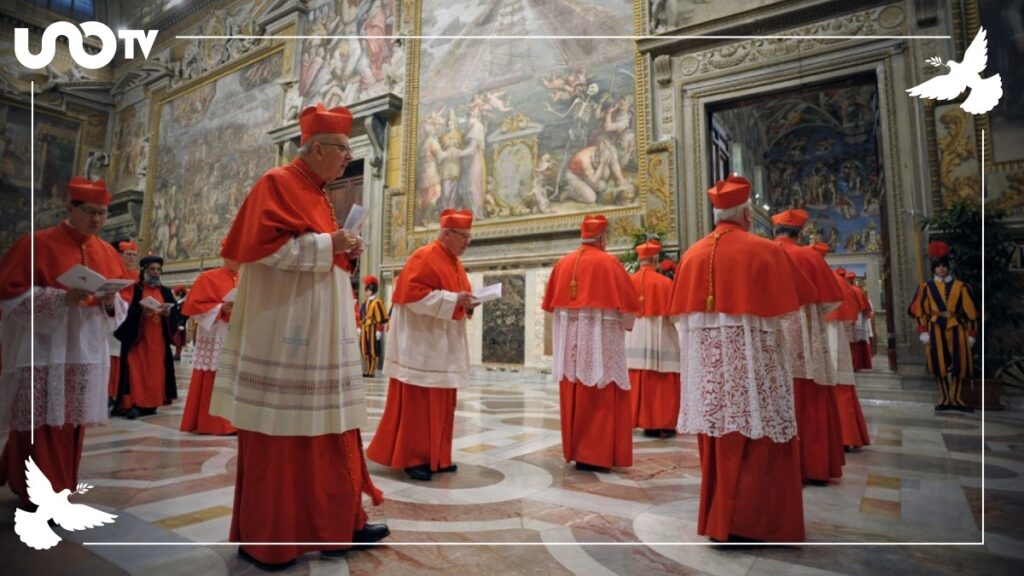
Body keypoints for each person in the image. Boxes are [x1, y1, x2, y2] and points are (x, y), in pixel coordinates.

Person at [209, 103, 388, 569]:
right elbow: (262, 253)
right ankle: (275, 536)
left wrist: (343, 247)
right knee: (285, 431)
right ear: (316, 148)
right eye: (343, 150)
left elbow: (311, 252)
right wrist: (332, 244)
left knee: (328, 427)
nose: (348, 160)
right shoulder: (278, 183)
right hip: (286, 331)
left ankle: (336, 525)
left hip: (319, 330)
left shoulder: (318, 192)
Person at [667, 176, 806, 542]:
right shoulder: (763, 250)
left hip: (711, 376)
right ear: (746, 213)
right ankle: (754, 522)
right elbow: (788, 317)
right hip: (754, 370)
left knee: (719, 439)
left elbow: (682, 321)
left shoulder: (692, 254)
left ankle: (719, 520)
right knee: (759, 437)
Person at [0, 177, 130, 507]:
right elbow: (9, 296)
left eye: (102, 213)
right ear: (69, 207)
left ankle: (59, 485)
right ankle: (41, 494)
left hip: (85, 349)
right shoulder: (36, 243)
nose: (98, 220)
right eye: (90, 212)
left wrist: (110, 299)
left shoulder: (106, 251)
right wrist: (61, 299)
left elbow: (119, 306)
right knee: (39, 423)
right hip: (44, 347)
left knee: (70, 423)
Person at [367, 209, 476, 481]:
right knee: (419, 405)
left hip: (443, 346)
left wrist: (468, 303)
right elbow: (412, 296)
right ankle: (413, 457)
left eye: (469, 238)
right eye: (464, 237)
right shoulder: (425, 256)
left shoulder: (455, 263)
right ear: (447, 234)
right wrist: (454, 300)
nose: (467, 242)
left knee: (444, 404)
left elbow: (458, 296)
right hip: (422, 346)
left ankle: (437, 457)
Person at [542, 215, 639, 472]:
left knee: (575, 387)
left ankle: (577, 450)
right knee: (600, 387)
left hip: (570, 348)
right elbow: (629, 306)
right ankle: (596, 453)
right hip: (601, 344)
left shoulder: (563, 264)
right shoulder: (609, 263)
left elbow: (552, 307)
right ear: (603, 239)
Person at [772, 209, 847, 483]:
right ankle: (813, 465)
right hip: (806, 333)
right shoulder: (810, 256)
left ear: (774, 232)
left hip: (771, 333)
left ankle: (779, 467)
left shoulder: (765, 252)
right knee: (810, 394)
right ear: (800, 233)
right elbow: (832, 300)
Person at [908, 241, 978, 412]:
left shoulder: (961, 286)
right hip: (935, 328)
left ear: (948, 267)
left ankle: (957, 398)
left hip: (957, 328)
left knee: (959, 364)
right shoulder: (926, 287)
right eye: (938, 266)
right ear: (933, 268)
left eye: (944, 266)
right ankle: (944, 398)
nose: (941, 269)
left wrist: (971, 333)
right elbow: (919, 311)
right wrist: (923, 331)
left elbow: (972, 312)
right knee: (939, 364)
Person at [625, 239, 680, 438]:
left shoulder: (628, 282)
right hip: (660, 335)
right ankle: (662, 421)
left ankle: (640, 419)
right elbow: (675, 316)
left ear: (640, 260)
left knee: (638, 375)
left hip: (633, 337)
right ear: (656, 259)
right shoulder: (665, 283)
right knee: (661, 376)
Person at [113, 255, 179, 419]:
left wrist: (168, 313)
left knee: (156, 372)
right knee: (136, 371)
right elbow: (123, 312)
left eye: (158, 269)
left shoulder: (165, 291)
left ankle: (151, 403)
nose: (156, 273)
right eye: (152, 269)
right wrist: (141, 313)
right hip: (138, 340)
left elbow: (175, 313)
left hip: (158, 341)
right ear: (144, 270)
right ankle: (133, 403)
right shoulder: (134, 289)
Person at [179, 259, 238, 435]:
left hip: (238, 332)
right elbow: (195, 308)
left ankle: (235, 422)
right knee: (214, 373)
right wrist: (222, 308)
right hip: (216, 332)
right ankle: (214, 423)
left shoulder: (246, 277)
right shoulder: (208, 278)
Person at [826, 267, 871, 449]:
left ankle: (844, 435)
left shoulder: (831, 280)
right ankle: (847, 434)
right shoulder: (841, 283)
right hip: (836, 331)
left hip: (829, 331)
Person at [108, 239, 139, 402]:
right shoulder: (112, 271)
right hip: (112, 319)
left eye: (134, 255)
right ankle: (109, 391)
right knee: (111, 355)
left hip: (130, 320)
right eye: (128, 254)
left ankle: (121, 393)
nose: (132, 258)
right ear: (119, 254)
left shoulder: (137, 276)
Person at [359, 275, 390, 377]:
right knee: (365, 349)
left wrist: (379, 330)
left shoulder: (378, 302)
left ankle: (372, 370)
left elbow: (381, 318)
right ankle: (367, 369)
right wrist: (360, 327)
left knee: (372, 350)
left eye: (367, 289)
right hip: (365, 328)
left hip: (373, 327)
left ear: (371, 289)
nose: (366, 292)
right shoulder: (364, 303)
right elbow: (361, 316)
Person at [846, 272, 874, 371]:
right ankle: (858, 364)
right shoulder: (858, 291)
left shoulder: (844, 289)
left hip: (847, 320)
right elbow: (866, 309)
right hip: (858, 319)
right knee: (857, 342)